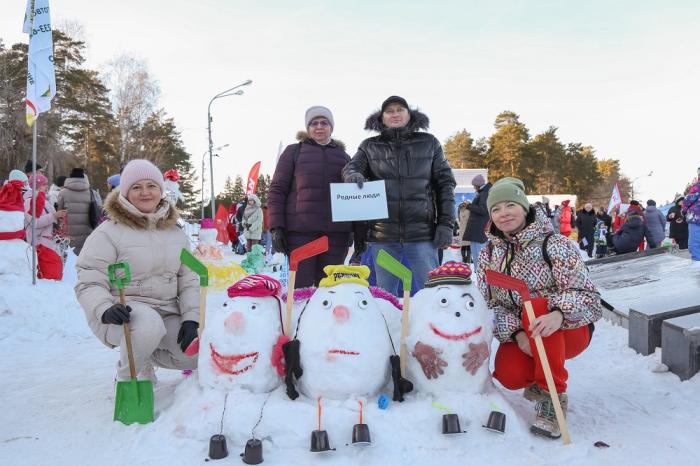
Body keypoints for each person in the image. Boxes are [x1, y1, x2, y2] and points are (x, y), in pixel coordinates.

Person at [475, 177, 601, 439]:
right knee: (508, 374)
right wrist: (517, 335)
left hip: (569, 329)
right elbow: (492, 305)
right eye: (496, 209)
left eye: (511, 204)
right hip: (526, 334)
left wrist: (558, 314)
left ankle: (552, 398)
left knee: (539, 305)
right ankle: (538, 375)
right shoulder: (488, 254)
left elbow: (588, 296)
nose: (504, 213)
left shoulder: (555, 244)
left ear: (525, 207)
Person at [75, 159, 199, 382]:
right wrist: (104, 308)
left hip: (166, 312)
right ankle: (128, 378)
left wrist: (191, 318)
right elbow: (89, 279)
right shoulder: (108, 232)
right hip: (121, 313)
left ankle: (143, 357)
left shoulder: (176, 234)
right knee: (148, 327)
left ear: (160, 190)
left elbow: (189, 279)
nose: (145, 193)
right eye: (136, 187)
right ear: (125, 192)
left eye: (151, 186)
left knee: (197, 352)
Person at [342, 96, 456, 294]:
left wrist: (446, 224)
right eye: (389, 111)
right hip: (383, 235)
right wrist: (353, 175)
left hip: (422, 235)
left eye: (399, 109)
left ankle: (425, 327)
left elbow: (445, 184)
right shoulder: (369, 146)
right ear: (381, 117)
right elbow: (352, 167)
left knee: (431, 293)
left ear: (409, 114)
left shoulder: (429, 143)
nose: (395, 114)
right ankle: (392, 326)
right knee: (386, 296)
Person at [268, 106, 357, 287]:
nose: (319, 127)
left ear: (331, 127)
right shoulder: (294, 152)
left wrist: (353, 229)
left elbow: (353, 197)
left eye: (324, 123)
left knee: (330, 289)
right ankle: (299, 316)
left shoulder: (344, 157)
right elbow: (277, 190)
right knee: (301, 288)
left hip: (335, 236)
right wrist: (276, 227)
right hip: (301, 233)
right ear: (307, 128)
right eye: (314, 123)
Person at [23, 174, 67, 279]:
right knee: (50, 277)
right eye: (44, 184)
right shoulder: (30, 201)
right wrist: (54, 215)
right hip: (38, 245)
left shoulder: (44, 200)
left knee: (53, 276)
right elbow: (35, 223)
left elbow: (49, 219)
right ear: (36, 185)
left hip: (47, 244)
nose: (47, 186)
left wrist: (58, 218)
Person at [57, 168, 96, 254]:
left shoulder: (63, 193)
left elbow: (59, 213)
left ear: (70, 178)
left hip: (68, 233)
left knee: (69, 259)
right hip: (87, 232)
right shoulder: (91, 193)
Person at [462, 174, 491, 269]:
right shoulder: (483, 192)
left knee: (479, 256)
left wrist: (469, 205)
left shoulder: (484, 194)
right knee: (476, 256)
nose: (474, 187)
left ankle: (481, 276)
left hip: (479, 230)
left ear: (477, 185)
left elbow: (483, 210)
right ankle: (478, 274)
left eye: (474, 185)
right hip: (477, 231)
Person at [681, 167, 700, 261]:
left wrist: (683, 210)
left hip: (696, 219)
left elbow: (687, 201)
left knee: (695, 245)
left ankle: (697, 268)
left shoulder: (697, 186)